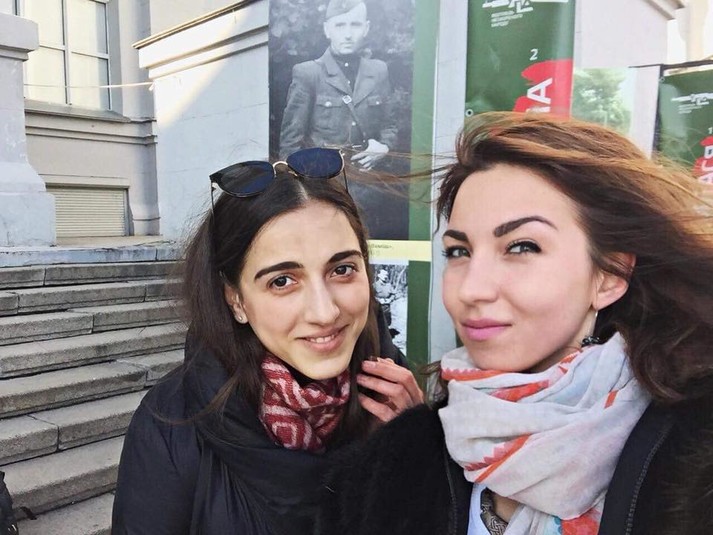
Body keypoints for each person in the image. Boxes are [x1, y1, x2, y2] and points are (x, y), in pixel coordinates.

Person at [316, 112, 713, 535]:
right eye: (459, 252)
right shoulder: (390, 472)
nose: (472, 288)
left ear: (610, 275)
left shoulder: (694, 464)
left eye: (521, 247)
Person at [111, 148, 423, 535]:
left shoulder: (394, 392)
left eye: (342, 269)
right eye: (282, 281)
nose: (325, 312)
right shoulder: (172, 424)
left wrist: (415, 447)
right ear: (236, 300)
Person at [278, 0, 396, 171]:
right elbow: (290, 144)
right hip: (324, 180)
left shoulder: (378, 71)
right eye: (340, 25)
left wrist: (384, 147)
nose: (348, 34)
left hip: (369, 178)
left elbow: (390, 125)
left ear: (366, 28)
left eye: (355, 25)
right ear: (327, 30)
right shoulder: (308, 73)